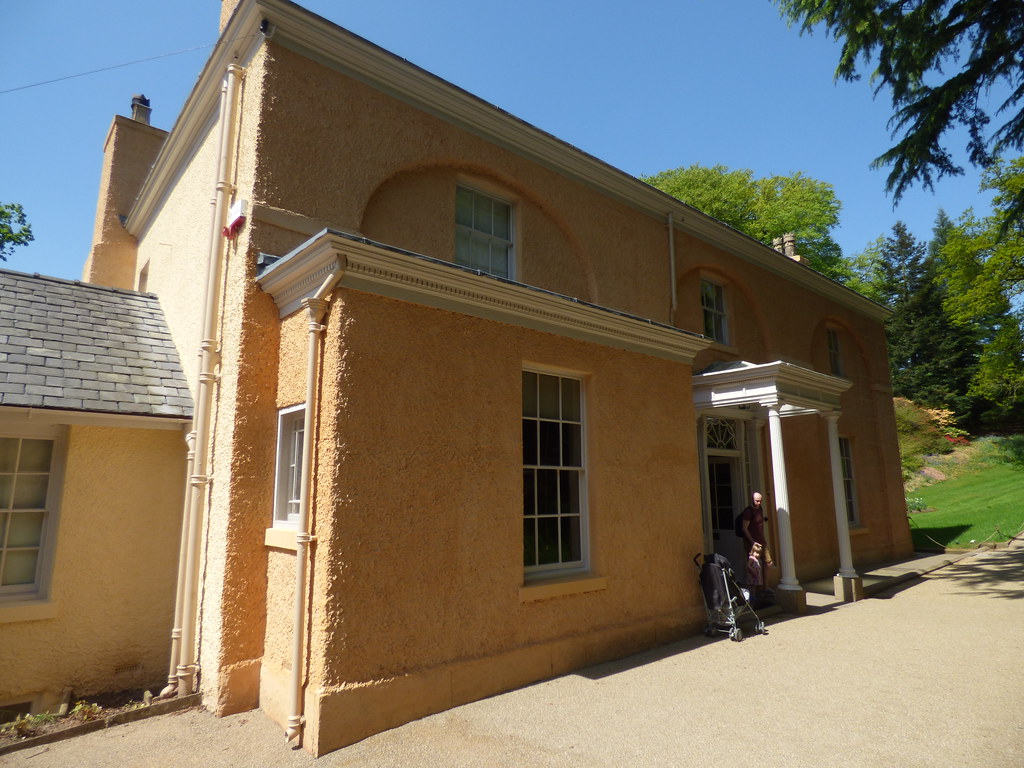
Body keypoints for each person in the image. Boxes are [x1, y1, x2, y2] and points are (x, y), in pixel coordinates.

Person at [741, 492, 774, 595]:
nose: (759, 503)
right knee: (753, 566)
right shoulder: (748, 512)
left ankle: (765, 587)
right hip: (752, 543)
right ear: (752, 499)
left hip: (762, 541)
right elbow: (744, 528)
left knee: (768, 562)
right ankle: (752, 592)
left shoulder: (760, 509)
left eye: (760, 501)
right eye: (757, 501)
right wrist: (752, 542)